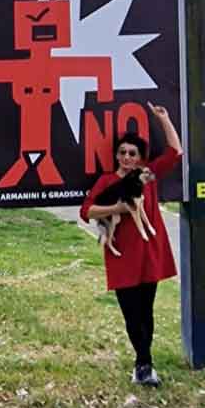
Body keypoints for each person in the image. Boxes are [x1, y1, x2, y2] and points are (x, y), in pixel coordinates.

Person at [80, 102, 183, 387]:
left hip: (149, 252)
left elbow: (175, 152)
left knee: (146, 311)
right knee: (131, 313)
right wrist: (117, 208)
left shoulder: (147, 176)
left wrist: (164, 119)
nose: (127, 157)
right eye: (123, 152)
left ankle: (144, 365)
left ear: (140, 158)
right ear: (116, 155)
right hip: (122, 256)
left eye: (132, 153)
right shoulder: (106, 181)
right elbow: (86, 211)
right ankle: (143, 362)